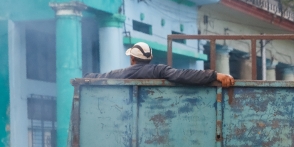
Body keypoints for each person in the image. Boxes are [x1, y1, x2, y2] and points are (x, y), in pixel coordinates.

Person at [85, 42, 235, 87]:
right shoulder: (158, 70)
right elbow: (184, 75)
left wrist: (85, 78)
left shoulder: (118, 74)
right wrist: (215, 75)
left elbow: (96, 77)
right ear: (150, 59)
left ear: (132, 59)